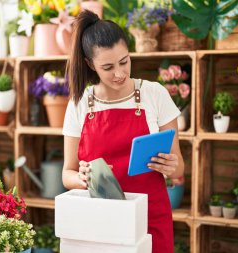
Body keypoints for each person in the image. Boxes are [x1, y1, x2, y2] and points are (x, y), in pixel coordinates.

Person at [62, 10, 184, 253]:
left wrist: (172, 167)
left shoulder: (154, 94)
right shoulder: (80, 103)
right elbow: (67, 174)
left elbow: (179, 166)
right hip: (100, 223)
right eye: (107, 67)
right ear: (90, 65)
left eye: (124, 61)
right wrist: (82, 179)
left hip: (151, 218)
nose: (119, 73)